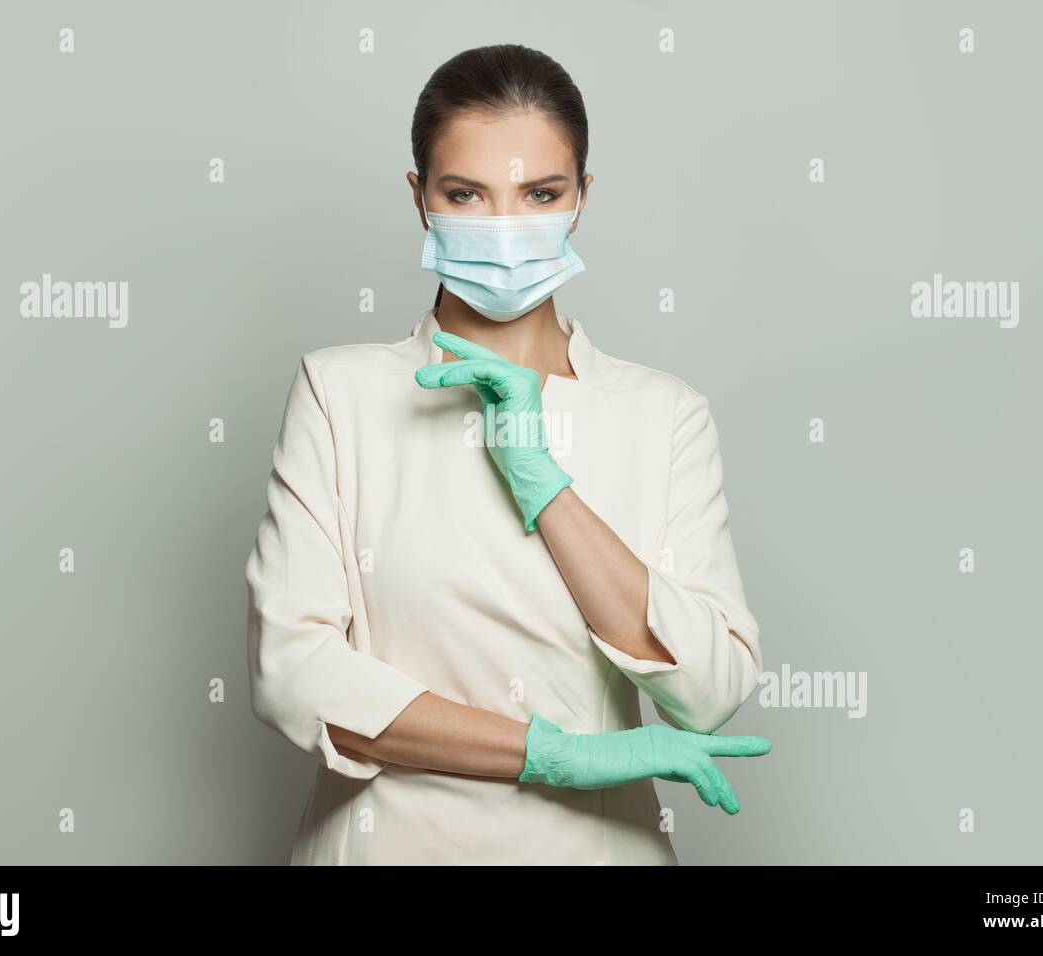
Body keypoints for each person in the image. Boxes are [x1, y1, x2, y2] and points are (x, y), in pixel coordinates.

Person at [245, 43, 770, 865]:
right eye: (466, 194)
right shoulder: (340, 392)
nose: (505, 228)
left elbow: (710, 694)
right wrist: (556, 755)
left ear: (581, 199)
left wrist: (543, 480)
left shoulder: (661, 415)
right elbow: (294, 673)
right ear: (420, 198)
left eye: (539, 194)